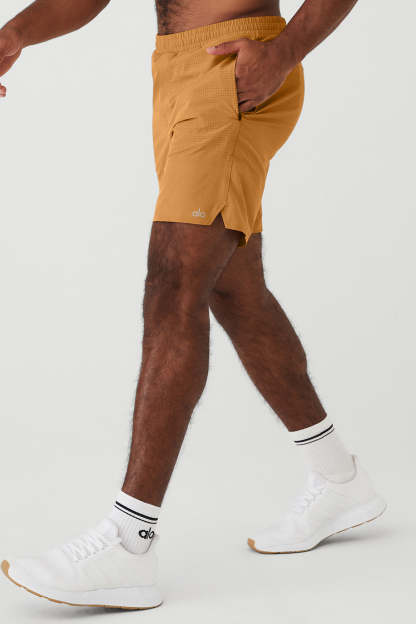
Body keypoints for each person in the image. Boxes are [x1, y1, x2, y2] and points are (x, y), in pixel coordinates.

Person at [0, 0, 386, 611]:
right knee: (234, 289)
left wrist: (284, 53)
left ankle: (129, 542)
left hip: (234, 70)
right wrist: (17, 32)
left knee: (173, 281)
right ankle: (340, 478)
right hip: (176, 73)